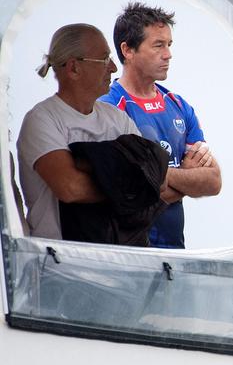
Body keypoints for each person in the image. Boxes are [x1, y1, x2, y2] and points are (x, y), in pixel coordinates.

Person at [100, 2, 222, 249]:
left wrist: (153, 178)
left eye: (169, 45)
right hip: (129, 257)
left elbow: (213, 180)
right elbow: (126, 195)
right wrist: (187, 177)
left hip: (175, 256)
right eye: (158, 45)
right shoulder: (109, 108)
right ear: (128, 50)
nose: (168, 54)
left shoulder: (178, 105)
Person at [17, 23, 141, 239]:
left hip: (120, 263)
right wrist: (127, 190)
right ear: (74, 68)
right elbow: (70, 188)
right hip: (59, 265)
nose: (113, 67)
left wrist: (87, 167)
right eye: (104, 59)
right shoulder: (42, 119)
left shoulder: (118, 119)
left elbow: (149, 178)